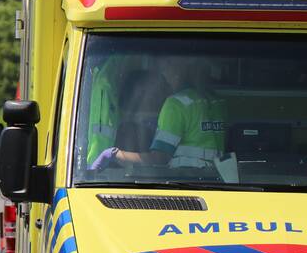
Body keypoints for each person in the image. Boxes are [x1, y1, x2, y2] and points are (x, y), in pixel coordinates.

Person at [92, 56, 226, 170]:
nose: (163, 74)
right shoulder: (216, 102)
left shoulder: (176, 105)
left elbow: (160, 158)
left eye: (165, 67)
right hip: (215, 182)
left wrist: (116, 154)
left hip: (185, 181)